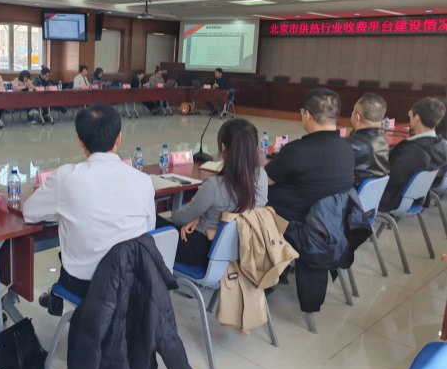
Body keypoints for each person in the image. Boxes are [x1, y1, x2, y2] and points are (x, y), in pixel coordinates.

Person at [23, 103, 156, 312]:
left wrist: (63, 213)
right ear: (119, 138)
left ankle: (56, 297)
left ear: (80, 141)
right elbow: (149, 230)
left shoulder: (66, 177)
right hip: (132, 283)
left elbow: (29, 213)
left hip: (85, 285)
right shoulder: (143, 180)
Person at [156, 119, 268, 268]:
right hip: (239, 251)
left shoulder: (214, 186)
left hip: (204, 252)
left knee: (152, 221)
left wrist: (181, 218)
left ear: (223, 148)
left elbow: (181, 218)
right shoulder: (261, 176)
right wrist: (200, 215)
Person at [266, 88, 355, 223]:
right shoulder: (347, 148)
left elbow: (263, 180)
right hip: (333, 223)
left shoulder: (296, 151)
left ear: (307, 115)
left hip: (289, 224)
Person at [379, 97, 447, 213]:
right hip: (418, 197)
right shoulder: (442, 145)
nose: (409, 113)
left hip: (393, 199)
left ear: (417, 118)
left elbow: (391, 179)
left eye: (411, 112)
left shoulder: (412, 150)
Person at [346, 93, 390, 188]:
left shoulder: (348, 145)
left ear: (357, 117)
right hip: (374, 195)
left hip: (352, 194)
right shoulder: (384, 141)